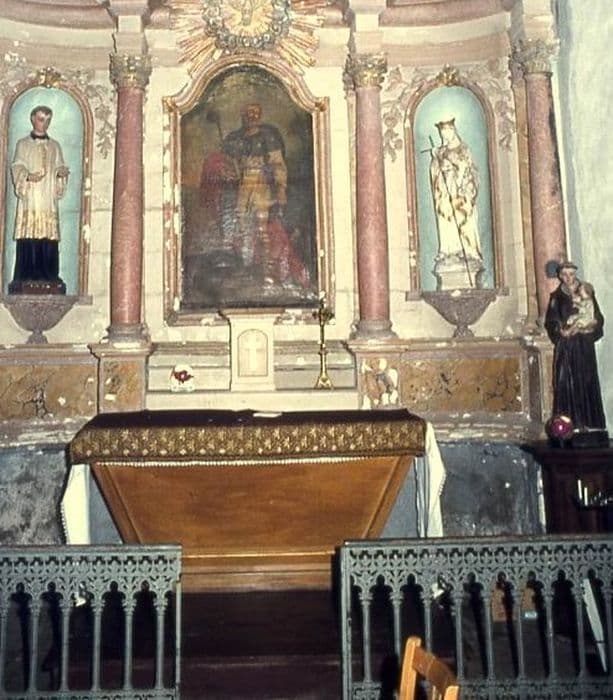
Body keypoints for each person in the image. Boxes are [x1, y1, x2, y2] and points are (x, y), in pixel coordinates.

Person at [200, 102, 309, 289]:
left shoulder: (268, 136)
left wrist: (281, 188)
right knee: (240, 227)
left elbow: (277, 164)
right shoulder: (234, 139)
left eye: (256, 112)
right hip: (242, 187)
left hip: (261, 184)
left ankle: (268, 274)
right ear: (243, 115)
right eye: (248, 112)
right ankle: (245, 267)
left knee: (262, 229)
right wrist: (228, 172)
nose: (252, 116)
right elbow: (228, 165)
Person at [9, 105, 70, 293]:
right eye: (41, 119)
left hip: (47, 198)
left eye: (48, 120)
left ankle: (49, 274)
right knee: (30, 232)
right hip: (31, 197)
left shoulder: (55, 146)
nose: (45, 123)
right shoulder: (23, 144)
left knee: (48, 234)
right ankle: (26, 274)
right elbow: (17, 166)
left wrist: (61, 174)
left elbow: (59, 166)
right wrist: (27, 176)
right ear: (33, 119)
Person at [544, 261, 606, 432]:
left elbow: (597, 316)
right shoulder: (556, 297)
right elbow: (551, 321)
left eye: (571, 274)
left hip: (584, 346)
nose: (568, 278)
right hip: (567, 348)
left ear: (575, 274)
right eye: (564, 275)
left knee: (587, 381)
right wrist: (559, 330)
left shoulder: (586, 292)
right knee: (566, 384)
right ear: (560, 276)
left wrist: (591, 326)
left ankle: (590, 424)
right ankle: (567, 426)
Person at [429, 118, 482, 264]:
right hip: (445, 191)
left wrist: (456, 172)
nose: (445, 136)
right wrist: (436, 160)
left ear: (453, 131)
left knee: (463, 218)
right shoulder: (441, 151)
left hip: (460, 191)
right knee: (446, 217)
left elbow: (467, 167)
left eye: (446, 132)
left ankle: (469, 250)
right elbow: (435, 170)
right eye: (442, 133)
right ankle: (448, 249)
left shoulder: (463, 149)